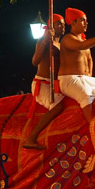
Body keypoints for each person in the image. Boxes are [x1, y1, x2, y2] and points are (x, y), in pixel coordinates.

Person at [58, 7, 95, 124]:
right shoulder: (67, 39)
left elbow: (89, 60)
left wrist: (88, 76)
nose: (86, 23)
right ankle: (93, 126)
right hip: (68, 80)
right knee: (86, 95)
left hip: (85, 79)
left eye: (86, 20)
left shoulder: (83, 40)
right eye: (83, 20)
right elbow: (81, 46)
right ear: (73, 23)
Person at [23, 14, 66, 150]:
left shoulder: (62, 44)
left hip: (56, 83)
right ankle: (31, 138)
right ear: (51, 27)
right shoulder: (44, 41)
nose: (63, 26)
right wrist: (45, 40)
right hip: (42, 83)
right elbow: (34, 61)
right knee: (58, 107)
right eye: (59, 24)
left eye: (63, 23)